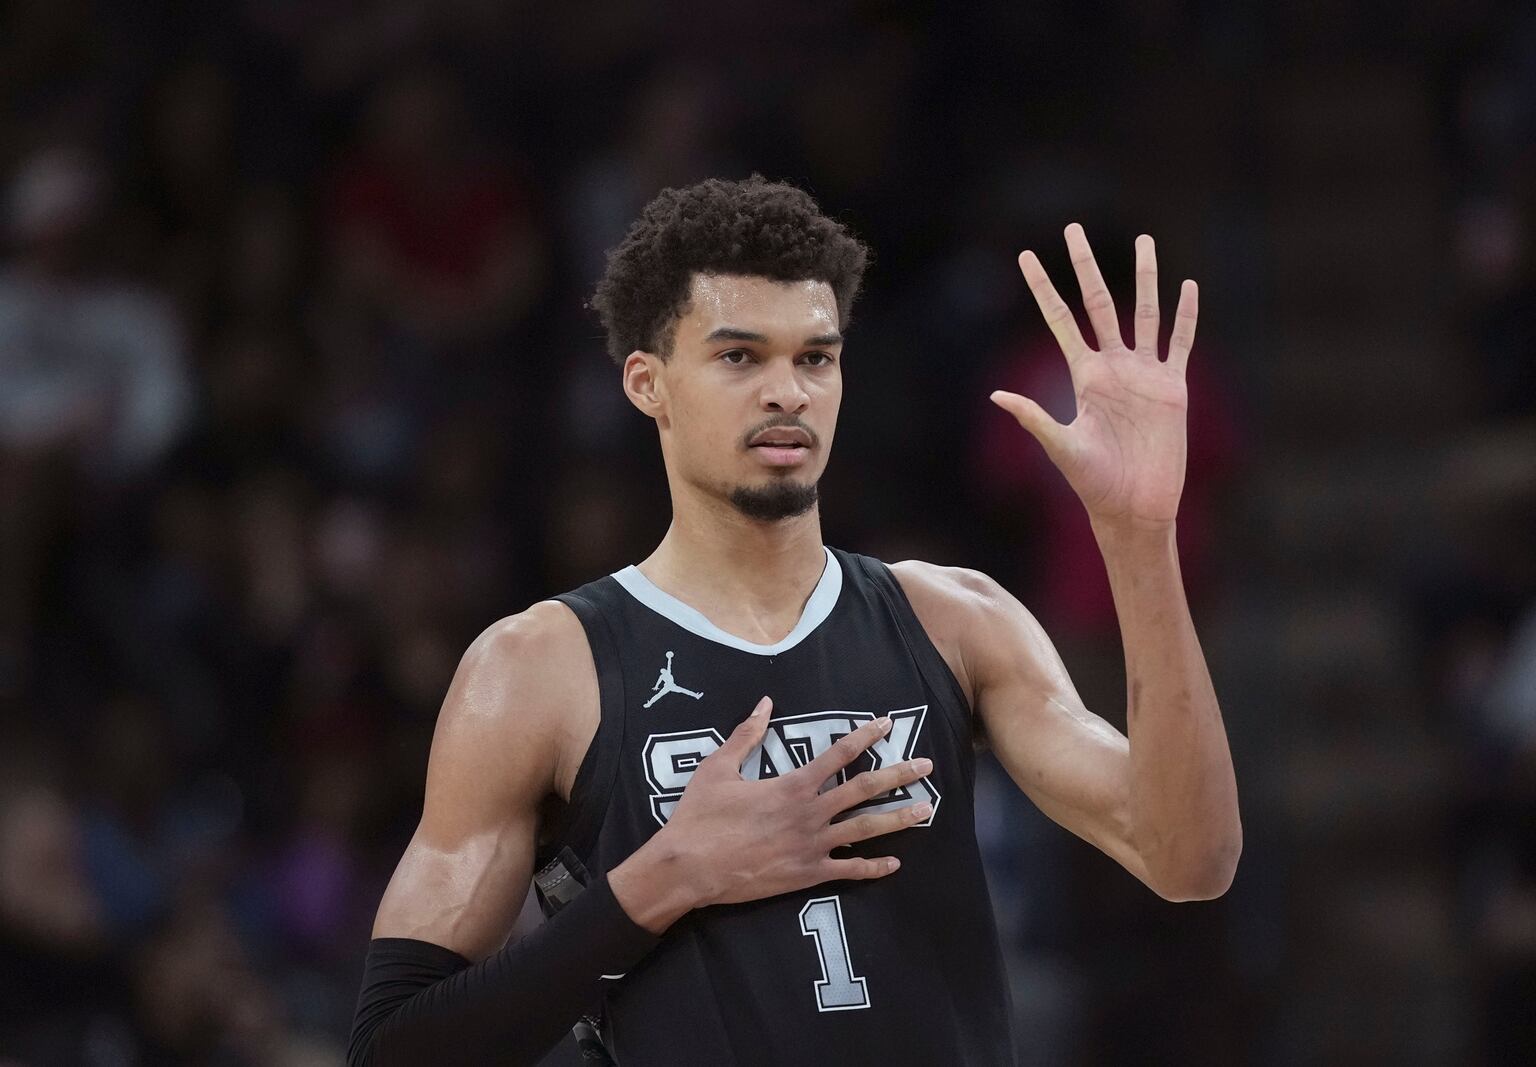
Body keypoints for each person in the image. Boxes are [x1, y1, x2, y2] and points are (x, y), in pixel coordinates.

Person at [346, 175, 1241, 1066]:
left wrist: (1138, 539)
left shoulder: (955, 619)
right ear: (648, 383)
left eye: (815, 357)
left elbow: (1188, 857)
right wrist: (666, 877)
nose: (789, 392)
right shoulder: (539, 667)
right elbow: (392, 1049)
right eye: (741, 357)